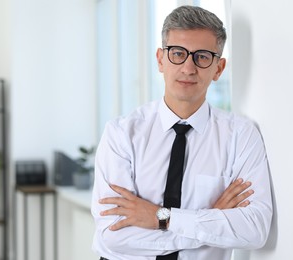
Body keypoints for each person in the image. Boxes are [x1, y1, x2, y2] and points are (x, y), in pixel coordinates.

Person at [91, 5, 272, 260]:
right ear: (160, 60)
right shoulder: (121, 134)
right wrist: (210, 220)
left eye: (202, 56)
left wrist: (160, 217)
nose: (188, 68)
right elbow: (114, 235)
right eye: (178, 53)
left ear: (218, 68)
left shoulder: (241, 136)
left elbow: (254, 229)